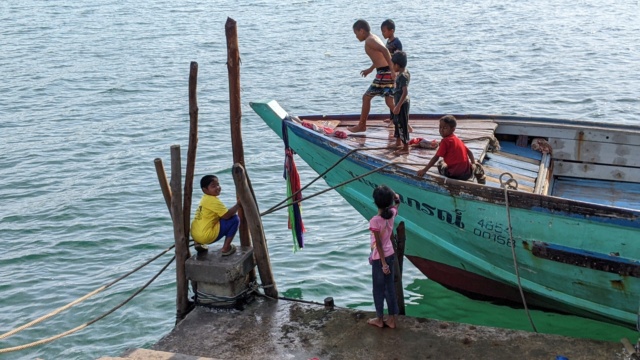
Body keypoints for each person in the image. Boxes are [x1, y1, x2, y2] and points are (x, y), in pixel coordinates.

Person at [347, 19, 395, 133]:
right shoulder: (373, 38)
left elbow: (385, 50)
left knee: (366, 97)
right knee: (389, 102)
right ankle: (405, 123)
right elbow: (379, 57)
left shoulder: (369, 40)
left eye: (356, 33)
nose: (356, 36)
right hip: (384, 71)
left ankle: (362, 125)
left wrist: (392, 69)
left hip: (384, 73)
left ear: (362, 31)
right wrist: (370, 69)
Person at [416, 115, 486, 184]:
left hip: (454, 175)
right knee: (477, 165)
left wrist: (424, 170)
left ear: (453, 129)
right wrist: (473, 163)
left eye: (445, 128)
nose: (441, 130)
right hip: (467, 175)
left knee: (440, 163)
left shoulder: (445, 141)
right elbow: (470, 152)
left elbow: (436, 157)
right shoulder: (458, 139)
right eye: (440, 127)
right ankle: (481, 180)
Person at [367, 185, 400, 329]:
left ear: (375, 202)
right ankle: (392, 319)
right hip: (391, 254)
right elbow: (397, 202)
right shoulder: (392, 213)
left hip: (379, 258)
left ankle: (380, 319)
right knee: (390, 288)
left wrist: (383, 264)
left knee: (378, 289)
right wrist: (395, 196)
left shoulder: (375, 220)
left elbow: (378, 244)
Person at [190, 175, 241, 255]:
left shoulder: (204, 199)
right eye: (213, 186)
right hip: (206, 236)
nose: (217, 187)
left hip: (195, 234)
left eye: (218, 184)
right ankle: (226, 248)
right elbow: (226, 215)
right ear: (205, 190)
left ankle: (198, 244)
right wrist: (238, 205)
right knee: (235, 219)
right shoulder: (213, 201)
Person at [391, 51, 410, 155]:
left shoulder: (403, 76)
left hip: (402, 104)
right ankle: (398, 142)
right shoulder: (403, 73)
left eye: (393, 65)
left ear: (397, 65)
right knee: (396, 122)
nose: (392, 67)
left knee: (403, 124)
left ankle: (406, 147)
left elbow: (405, 92)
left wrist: (398, 106)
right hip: (398, 102)